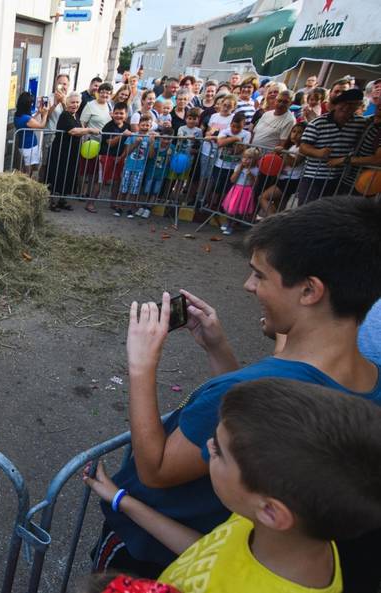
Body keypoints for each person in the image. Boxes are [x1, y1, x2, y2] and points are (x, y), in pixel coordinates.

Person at [90, 196, 381, 592]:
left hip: (157, 552)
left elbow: (155, 470)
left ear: (310, 290)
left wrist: (141, 366)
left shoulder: (244, 388)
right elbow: (246, 412)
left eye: (261, 275)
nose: (248, 285)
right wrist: (217, 349)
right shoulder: (370, 383)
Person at [87, 378, 381, 593]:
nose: (207, 445)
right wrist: (123, 500)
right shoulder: (289, 532)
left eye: (218, 452)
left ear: (271, 511)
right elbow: (208, 550)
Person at [297, 88, 366, 205]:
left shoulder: (360, 123)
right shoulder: (318, 123)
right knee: (306, 211)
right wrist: (317, 152)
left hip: (339, 178)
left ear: (358, 106)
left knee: (328, 214)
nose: (346, 108)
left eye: (352, 105)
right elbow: (303, 147)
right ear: (336, 104)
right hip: (314, 177)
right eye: (344, 104)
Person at [45, 92, 87, 211]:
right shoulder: (65, 115)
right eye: (72, 102)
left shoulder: (75, 115)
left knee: (68, 176)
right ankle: (51, 202)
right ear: (67, 103)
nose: (75, 105)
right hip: (60, 152)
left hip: (72, 152)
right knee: (56, 175)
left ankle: (62, 200)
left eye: (77, 102)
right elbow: (73, 131)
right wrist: (90, 130)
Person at [257, 122, 305, 217]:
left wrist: (284, 152)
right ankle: (276, 223)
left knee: (263, 197)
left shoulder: (302, 148)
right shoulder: (292, 146)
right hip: (283, 178)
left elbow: (294, 163)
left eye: (300, 132)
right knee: (279, 205)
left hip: (291, 180)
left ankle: (272, 221)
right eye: (293, 131)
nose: (295, 134)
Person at [79, 82, 114, 211]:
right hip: (90, 142)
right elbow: (83, 123)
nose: (105, 94)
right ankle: (82, 192)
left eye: (108, 93)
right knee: (86, 169)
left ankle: (89, 194)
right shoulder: (90, 105)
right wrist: (85, 137)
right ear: (98, 92)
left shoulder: (110, 106)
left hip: (103, 144)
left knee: (95, 172)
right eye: (103, 92)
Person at [208, 112, 250, 210]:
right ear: (231, 124)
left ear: (243, 125)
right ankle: (211, 205)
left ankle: (222, 207)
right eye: (233, 126)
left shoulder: (247, 134)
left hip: (234, 167)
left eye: (238, 127)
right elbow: (220, 143)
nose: (235, 129)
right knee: (216, 186)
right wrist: (235, 138)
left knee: (228, 188)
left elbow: (241, 149)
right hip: (220, 164)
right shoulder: (225, 131)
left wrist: (231, 142)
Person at [197, 94, 235, 203]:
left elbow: (228, 136)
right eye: (224, 105)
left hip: (220, 152)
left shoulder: (232, 119)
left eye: (229, 106)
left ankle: (205, 199)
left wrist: (214, 137)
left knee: (212, 177)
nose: (226, 107)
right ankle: (198, 198)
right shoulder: (214, 116)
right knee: (203, 175)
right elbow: (208, 131)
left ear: (233, 107)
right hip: (206, 149)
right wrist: (211, 135)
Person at [116, 118, 156, 216]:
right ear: (138, 125)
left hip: (140, 169)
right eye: (143, 125)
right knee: (124, 189)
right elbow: (127, 152)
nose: (145, 127)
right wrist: (136, 144)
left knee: (134, 191)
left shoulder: (150, 138)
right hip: (128, 167)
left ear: (150, 127)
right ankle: (119, 208)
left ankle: (130, 209)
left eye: (147, 125)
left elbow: (151, 156)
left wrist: (151, 144)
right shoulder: (133, 136)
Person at [220, 146, 259, 234]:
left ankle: (232, 225)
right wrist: (239, 170)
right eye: (244, 157)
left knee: (238, 210)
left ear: (255, 160)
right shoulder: (238, 166)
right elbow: (232, 180)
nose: (245, 160)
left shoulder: (255, 170)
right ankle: (228, 222)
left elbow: (255, 183)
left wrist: (251, 176)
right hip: (236, 189)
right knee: (230, 208)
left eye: (249, 158)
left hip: (246, 191)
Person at [99, 102, 131, 211]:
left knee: (117, 181)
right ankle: (91, 203)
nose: (118, 116)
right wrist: (122, 134)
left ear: (126, 114)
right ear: (112, 114)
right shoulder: (108, 126)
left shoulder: (127, 126)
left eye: (121, 113)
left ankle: (113, 203)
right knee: (101, 180)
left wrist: (122, 157)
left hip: (119, 157)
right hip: (106, 155)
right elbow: (110, 143)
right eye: (116, 113)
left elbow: (128, 144)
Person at [13, 92, 48, 178]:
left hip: (24, 145)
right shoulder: (26, 118)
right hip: (29, 147)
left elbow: (29, 121)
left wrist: (38, 113)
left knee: (27, 168)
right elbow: (41, 126)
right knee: (28, 171)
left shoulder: (18, 115)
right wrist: (45, 114)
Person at [137, 134, 171, 219]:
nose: (166, 141)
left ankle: (148, 208)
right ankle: (142, 206)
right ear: (160, 138)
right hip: (151, 171)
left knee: (155, 191)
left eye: (168, 139)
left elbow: (168, 163)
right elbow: (151, 156)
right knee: (146, 190)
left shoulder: (172, 147)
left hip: (161, 174)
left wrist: (169, 155)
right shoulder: (155, 144)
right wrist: (152, 144)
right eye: (164, 138)